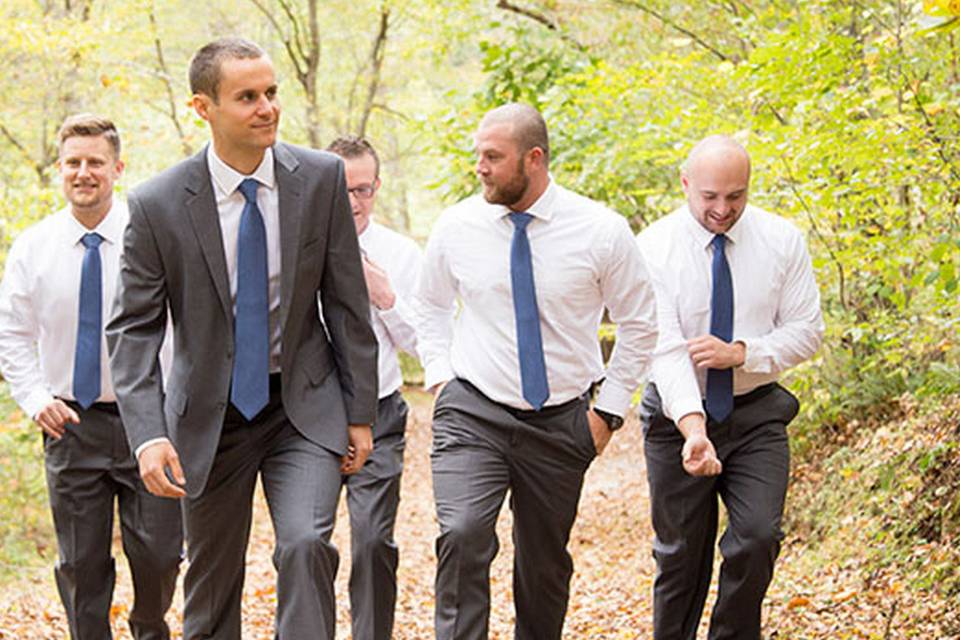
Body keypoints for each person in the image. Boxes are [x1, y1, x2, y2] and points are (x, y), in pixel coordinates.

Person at [105, 38, 379, 639]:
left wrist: (360, 412)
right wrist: (148, 435)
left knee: (307, 545)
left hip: (301, 407)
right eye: (247, 97)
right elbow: (132, 330)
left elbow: (347, 303)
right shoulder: (156, 205)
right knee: (211, 581)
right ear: (202, 107)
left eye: (272, 93)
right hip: (208, 414)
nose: (267, 108)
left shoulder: (322, 177)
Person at [416, 103, 658, 640]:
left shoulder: (601, 232)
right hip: (473, 409)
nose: (480, 167)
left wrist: (608, 414)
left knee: (544, 565)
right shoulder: (457, 226)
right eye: (478, 155)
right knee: (462, 534)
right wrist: (440, 378)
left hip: (562, 421)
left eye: (493, 157)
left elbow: (642, 324)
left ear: (535, 159)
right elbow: (428, 305)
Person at [0, 114, 182, 639]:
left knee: (160, 554)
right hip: (70, 424)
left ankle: (150, 626)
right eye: (73, 163)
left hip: (148, 421)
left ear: (117, 168)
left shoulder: (148, 238)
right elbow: (12, 333)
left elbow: (189, 323)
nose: (84, 173)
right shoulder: (32, 247)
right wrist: (35, 399)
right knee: (80, 564)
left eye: (95, 163)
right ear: (59, 170)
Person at [636, 135, 824, 640]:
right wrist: (693, 428)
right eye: (710, 197)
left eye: (735, 197)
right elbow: (665, 349)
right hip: (676, 419)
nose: (723, 209)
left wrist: (742, 352)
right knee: (680, 556)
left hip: (757, 413)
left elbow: (808, 331)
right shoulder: (653, 248)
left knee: (757, 537)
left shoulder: (783, 242)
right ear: (686, 185)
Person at [326, 135, 423, 640]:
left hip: (380, 413)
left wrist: (384, 295)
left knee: (371, 542)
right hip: (309, 419)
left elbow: (421, 342)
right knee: (305, 547)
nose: (353, 202)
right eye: (342, 191)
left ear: (377, 188)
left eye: (363, 190)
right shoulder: (299, 247)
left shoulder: (401, 254)